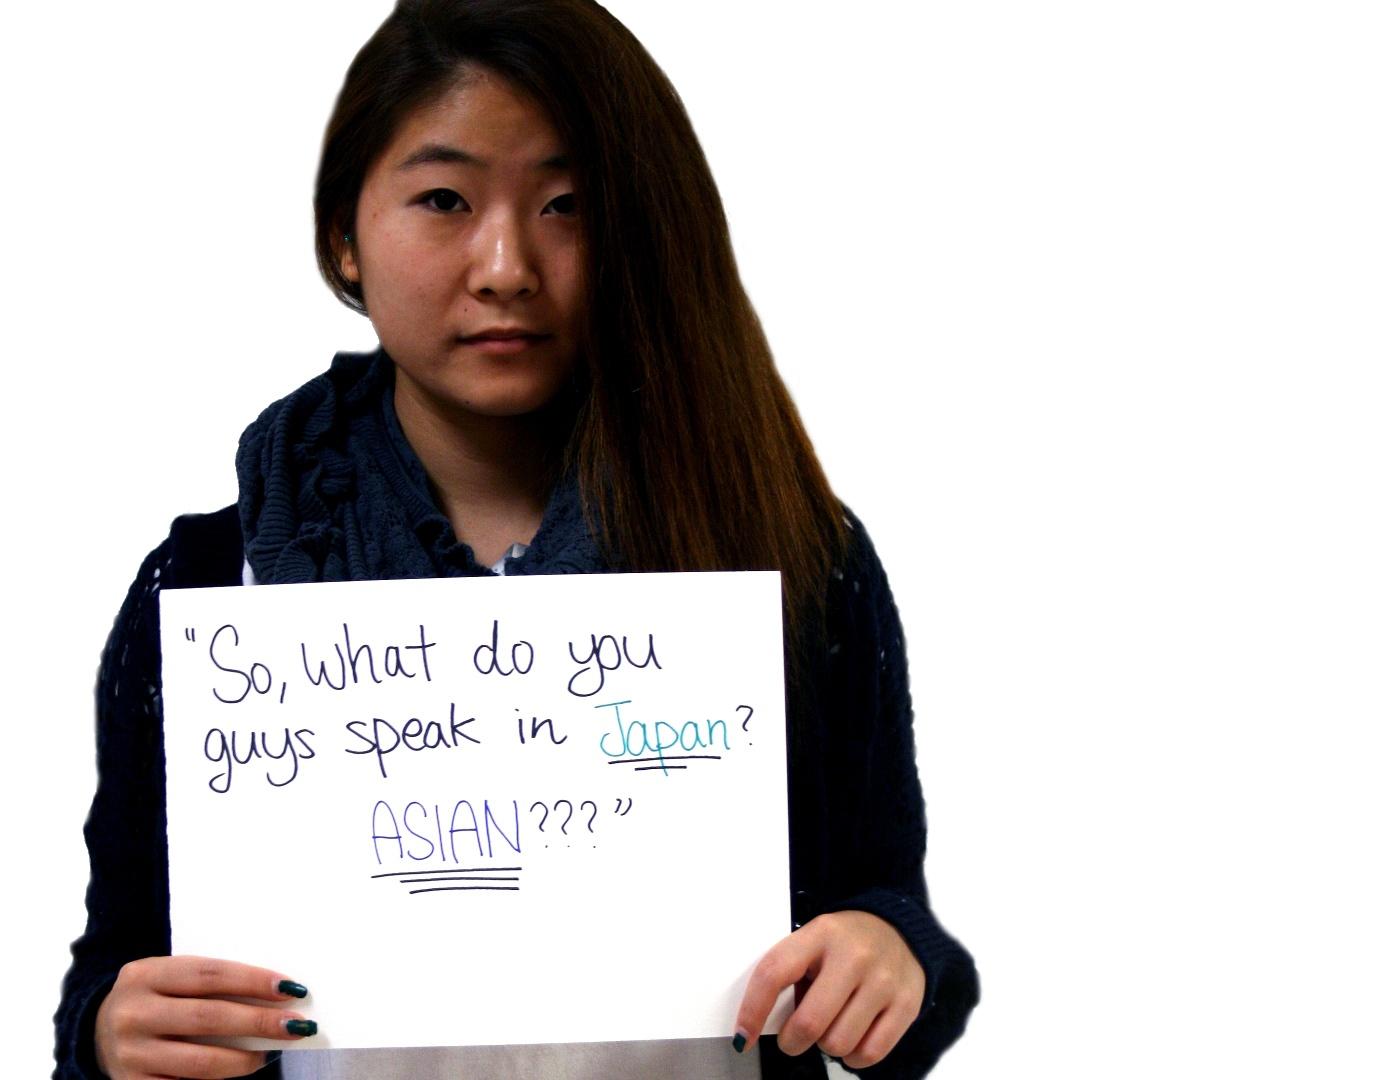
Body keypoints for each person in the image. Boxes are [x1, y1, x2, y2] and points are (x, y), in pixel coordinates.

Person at [52, 1, 979, 1077]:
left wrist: (889, 956)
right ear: (343, 236)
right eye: (443, 199)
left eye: (569, 204)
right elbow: (114, 974)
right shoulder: (210, 587)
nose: (506, 265)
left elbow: (893, 921)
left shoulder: (793, 552)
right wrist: (112, 1038)